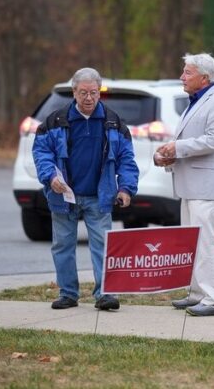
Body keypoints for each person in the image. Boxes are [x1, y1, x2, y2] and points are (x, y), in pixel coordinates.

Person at [32, 67, 138, 311]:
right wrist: (50, 177)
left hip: (99, 196)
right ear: (74, 92)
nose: (88, 98)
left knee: (103, 245)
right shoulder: (55, 121)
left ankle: (104, 294)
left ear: (99, 92)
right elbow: (41, 152)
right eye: (83, 93)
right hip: (64, 196)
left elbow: (127, 160)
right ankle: (68, 293)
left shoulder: (114, 123)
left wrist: (126, 189)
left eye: (93, 92)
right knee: (62, 245)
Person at [154, 52, 214, 317]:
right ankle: (199, 293)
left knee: (206, 243)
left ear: (204, 78)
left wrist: (176, 147)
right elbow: (192, 141)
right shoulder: (196, 101)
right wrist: (168, 157)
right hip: (192, 186)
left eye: (187, 73)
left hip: (209, 187)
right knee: (193, 242)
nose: (182, 77)